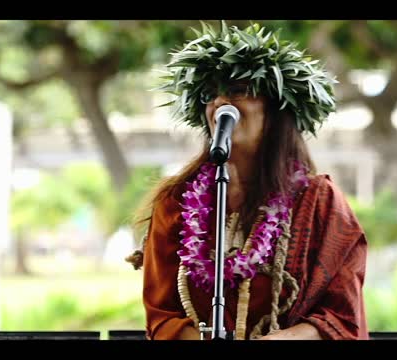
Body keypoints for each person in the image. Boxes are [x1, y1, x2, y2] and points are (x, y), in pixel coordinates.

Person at [126, 22, 369, 340]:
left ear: (276, 111)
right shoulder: (176, 201)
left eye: (238, 91)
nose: (220, 103)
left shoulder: (319, 201)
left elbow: (342, 318)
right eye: (211, 95)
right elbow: (162, 318)